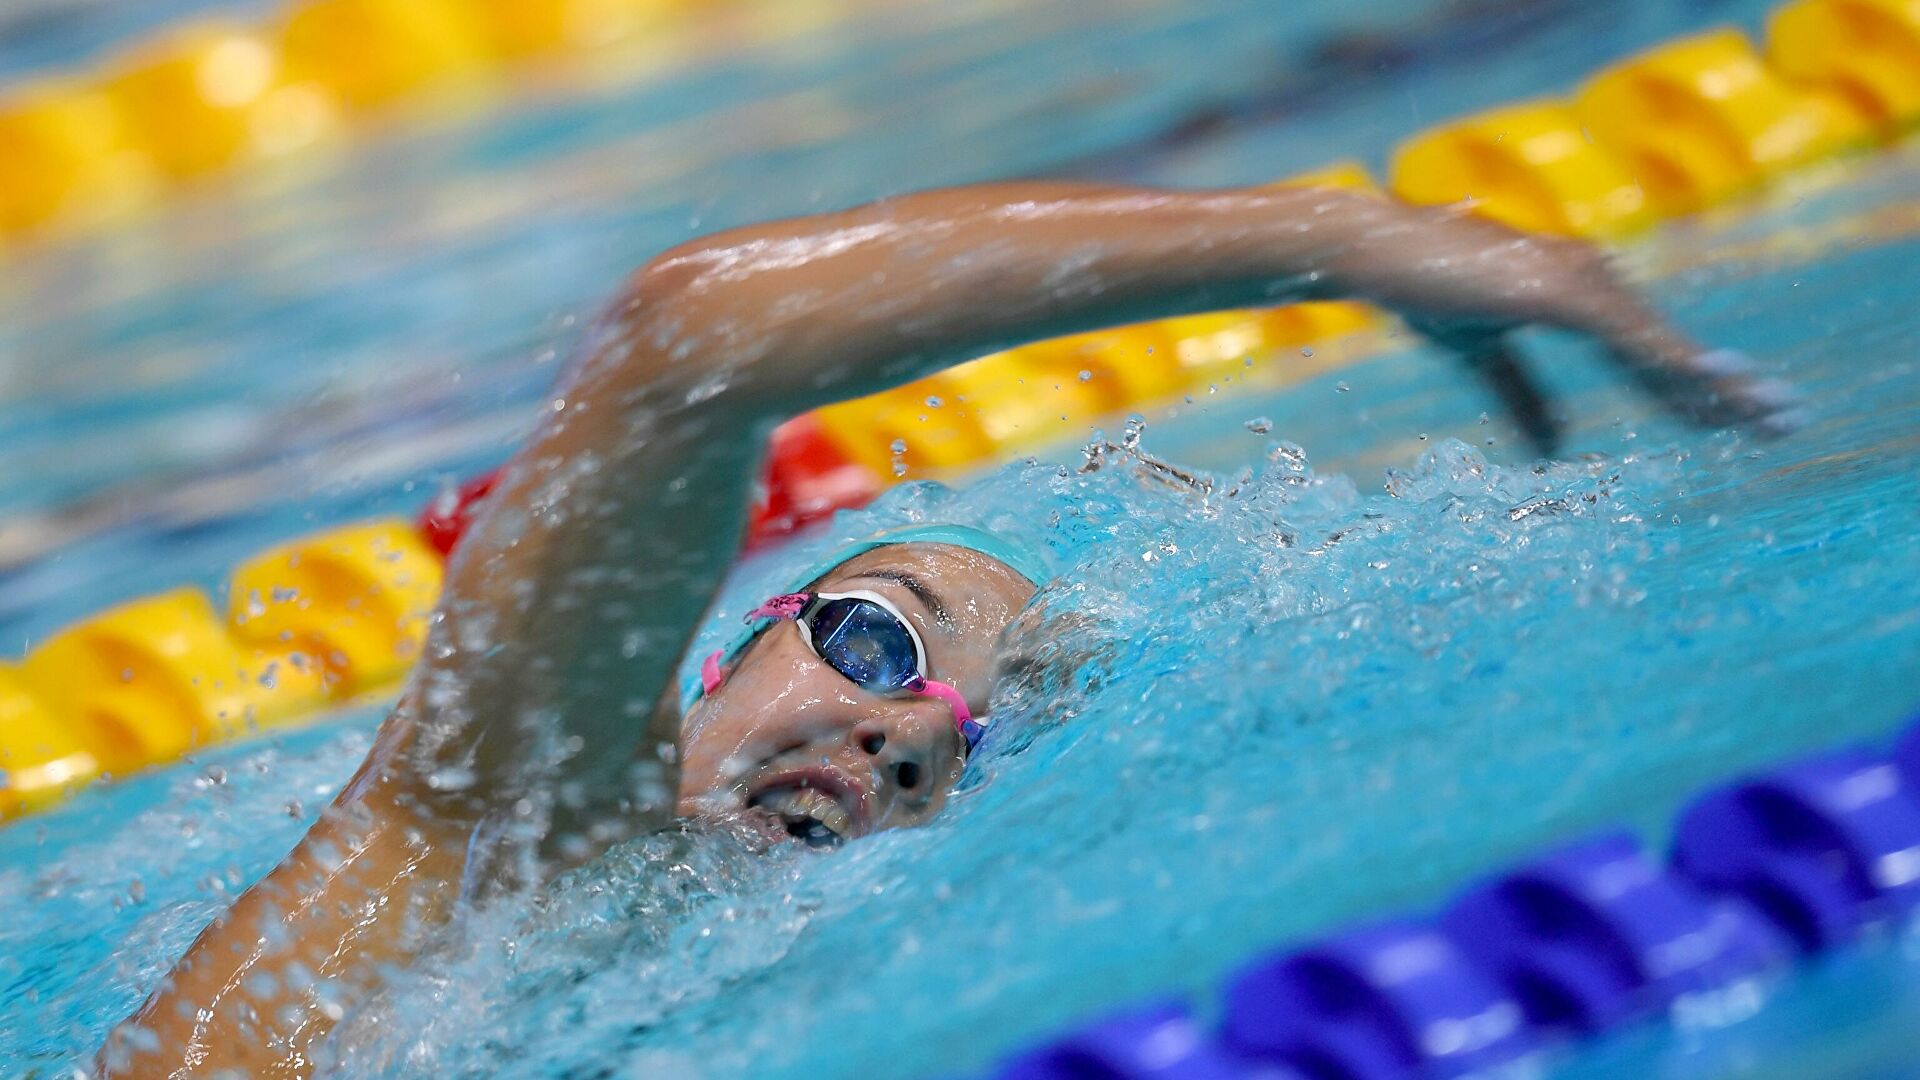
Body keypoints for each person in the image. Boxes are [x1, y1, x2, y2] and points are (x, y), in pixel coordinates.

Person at [98, 180, 1796, 1077]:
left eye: (955, 746)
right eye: (875, 647)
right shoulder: (490, 837)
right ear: (727, 643)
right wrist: (1342, 239)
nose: (903, 729)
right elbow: (693, 336)